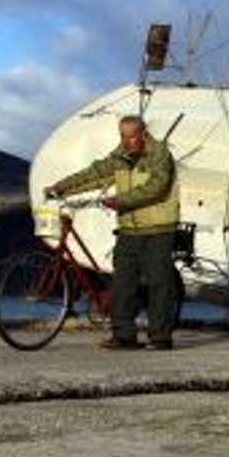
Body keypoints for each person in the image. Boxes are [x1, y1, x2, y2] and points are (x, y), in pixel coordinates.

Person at [44, 115, 180, 350]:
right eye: (123, 136)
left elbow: (157, 187)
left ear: (144, 134)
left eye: (131, 136)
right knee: (122, 282)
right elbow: (94, 174)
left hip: (159, 229)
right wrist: (60, 187)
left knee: (159, 282)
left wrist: (121, 200)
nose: (127, 141)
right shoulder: (120, 157)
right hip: (129, 228)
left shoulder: (160, 154)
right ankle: (124, 336)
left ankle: (160, 337)